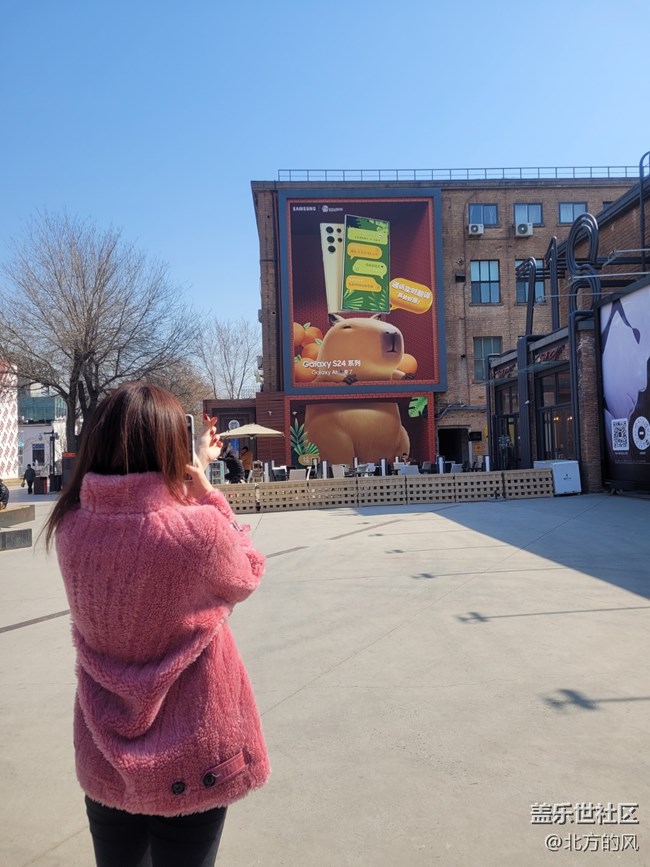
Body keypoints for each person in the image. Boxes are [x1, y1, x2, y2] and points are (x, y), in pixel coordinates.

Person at [45, 382, 269, 867]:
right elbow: (246, 571)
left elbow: (144, 525)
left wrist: (190, 474)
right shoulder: (197, 531)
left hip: (104, 749)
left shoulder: (70, 527)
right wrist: (208, 493)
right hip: (194, 751)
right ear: (170, 446)